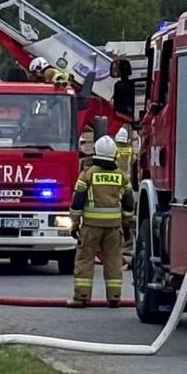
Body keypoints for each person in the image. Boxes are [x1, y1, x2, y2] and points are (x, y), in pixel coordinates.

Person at [68, 134, 134, 308]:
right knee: (113, 261)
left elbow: (78, 200)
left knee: (85, 260)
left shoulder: (88, 174)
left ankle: (81, 297)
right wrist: (127, 224)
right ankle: (114, 297)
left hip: (90, 227)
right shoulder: (121, 176)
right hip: (113, 228)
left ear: (96, 153)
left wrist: (74, 222)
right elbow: (128, 203)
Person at [114, 127, 136, 266]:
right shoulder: (129, 150)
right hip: (126, 184)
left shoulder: (114, 150)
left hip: (115, 184)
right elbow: (134, 161)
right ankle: (126, 249)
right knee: (127, 215)